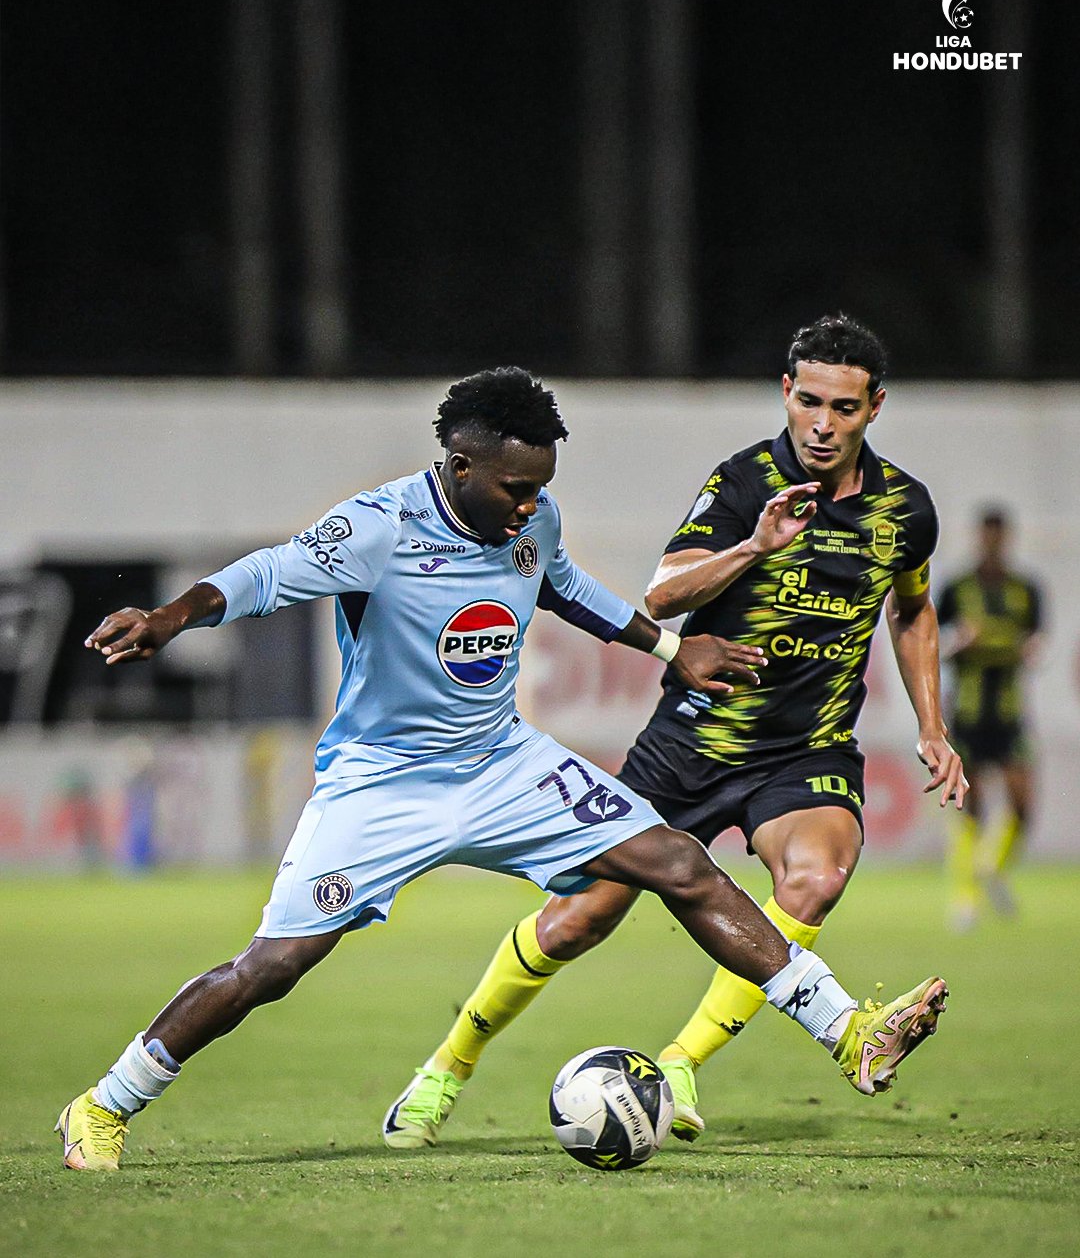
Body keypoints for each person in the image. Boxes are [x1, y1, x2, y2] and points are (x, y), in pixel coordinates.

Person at [56, 366, 948, 1173]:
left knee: (678, 862)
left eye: (541, 490)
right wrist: (173, 617)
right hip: (384, 781)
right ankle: (104, 1105)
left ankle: (847, 1030)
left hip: (500, 763)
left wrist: (671, 647)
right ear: (458, 465)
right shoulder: (378, 526)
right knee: (275, 965)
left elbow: (565, 586)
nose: (530, 508)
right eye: (517, 490)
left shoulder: (533, 516)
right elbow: (263, 575)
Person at [383, 316, 965, 1150]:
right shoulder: (743, 483)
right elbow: (662, 595)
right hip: (690, 746)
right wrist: (755, 545)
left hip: (805, 750)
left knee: (819, 875)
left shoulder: (905, 509)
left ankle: (681, 1064)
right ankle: (446, 1067)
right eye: (808, 401)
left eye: (843, 407)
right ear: (786, 394)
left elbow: (912, 608)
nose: (822, 424)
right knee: (577, 921)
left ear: (875, 407)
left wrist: (932, 726)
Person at [938, 508, 1043, 929]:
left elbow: (1037, 641)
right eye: (987, 536)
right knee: (973, 805)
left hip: (1010, 711)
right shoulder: (957, 588)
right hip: (967, 710)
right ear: (979, 537)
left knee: (1022, 804)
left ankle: (991, 867)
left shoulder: (1026, 589)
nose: (993, 543)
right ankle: (965, 898)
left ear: (1007, 539)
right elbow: (935, 643)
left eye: (999, 536)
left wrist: (1024, 647)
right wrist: (961, 643)